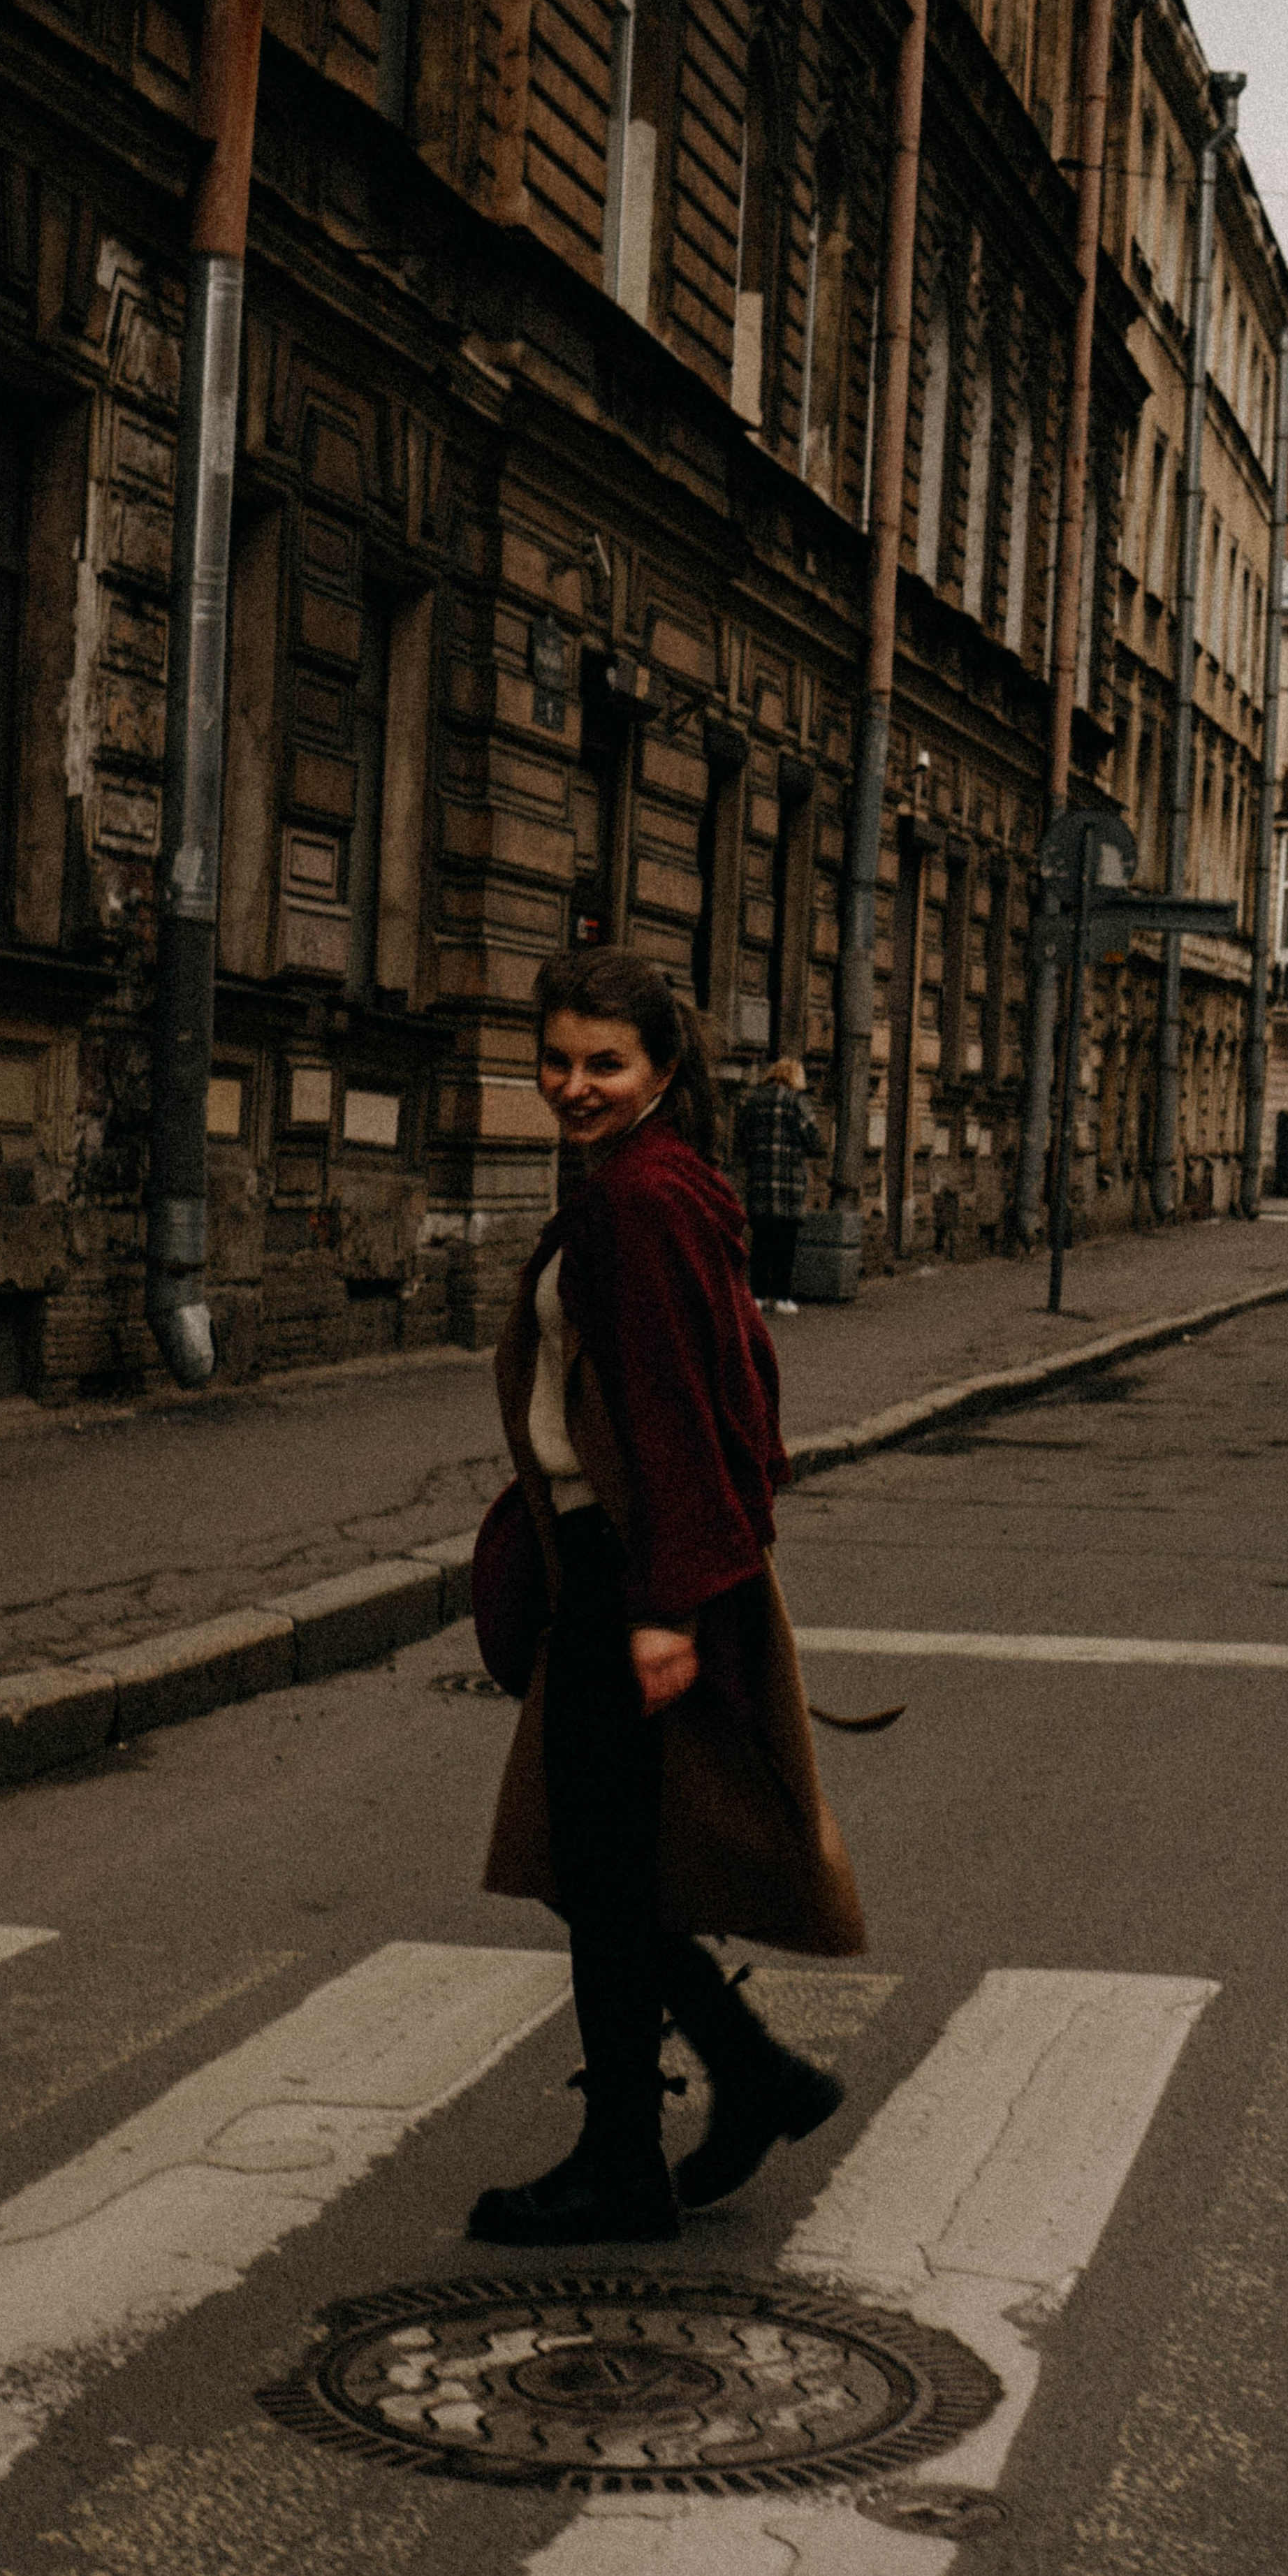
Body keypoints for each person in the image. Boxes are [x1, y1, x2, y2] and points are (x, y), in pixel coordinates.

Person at [471, 949, 866, 2247]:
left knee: (602, 1874)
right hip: (632, 1572)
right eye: (557, 1060)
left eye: (605, 1064)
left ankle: (628, 2160)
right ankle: (749, 2081)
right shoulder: (655, 1181)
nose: (573, 1086)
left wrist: (667, 1608)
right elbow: (733, 1389)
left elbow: (683, 1414)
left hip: (632, 1583)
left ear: (661, 1071)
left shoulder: (639, 1201)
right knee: (613, 1873)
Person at [736, 1055, 824, 1314]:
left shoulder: (754, 1100)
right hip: (789, 1184)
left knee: (761, 1240)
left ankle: (758, 1295)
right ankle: (782, 1297)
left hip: (760, 1181)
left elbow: (741, 1139)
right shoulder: (798, 1103)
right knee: (786, 1243)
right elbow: (814, 1139)